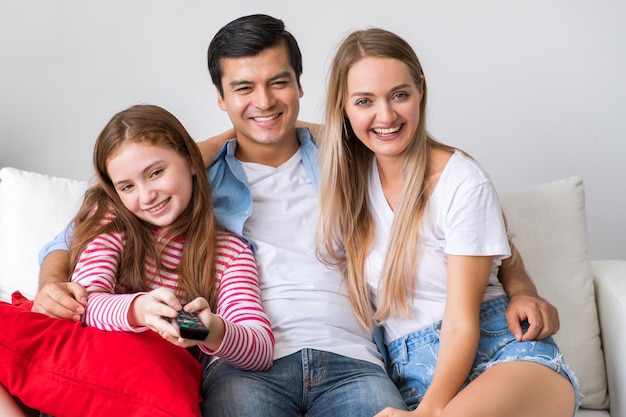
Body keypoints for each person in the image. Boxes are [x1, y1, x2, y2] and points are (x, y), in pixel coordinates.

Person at [34, 15, 561, 417]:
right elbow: (91, 223)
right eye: (243, 88)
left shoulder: (349, 153)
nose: (263, 102)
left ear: (302, 87)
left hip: (354, 360)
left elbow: (460, 203)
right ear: (221, 98)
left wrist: (519, 284)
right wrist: (53, 279)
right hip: (243, 362)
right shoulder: (189, 176)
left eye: (278, 82)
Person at [316, 28, 579, 416]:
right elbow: (272, 129)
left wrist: (427, 413)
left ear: (420, 90)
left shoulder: (459, 180)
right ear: (343, 107)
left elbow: (460, 323)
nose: (385, 115)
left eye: (399, 95)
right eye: (364, 101)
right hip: (412, 374)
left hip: (501, 355)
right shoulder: (354, 176)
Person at [0, 104, 273, 416]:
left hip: (143, 384)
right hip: (81, 368)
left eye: (156, 173)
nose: (146, 196)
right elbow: (86, 301)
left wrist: (212, 330)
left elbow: (260, 349)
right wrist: (139, 309)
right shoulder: (113, 221)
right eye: (127, 186)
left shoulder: (230, 253)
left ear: (192, 161)